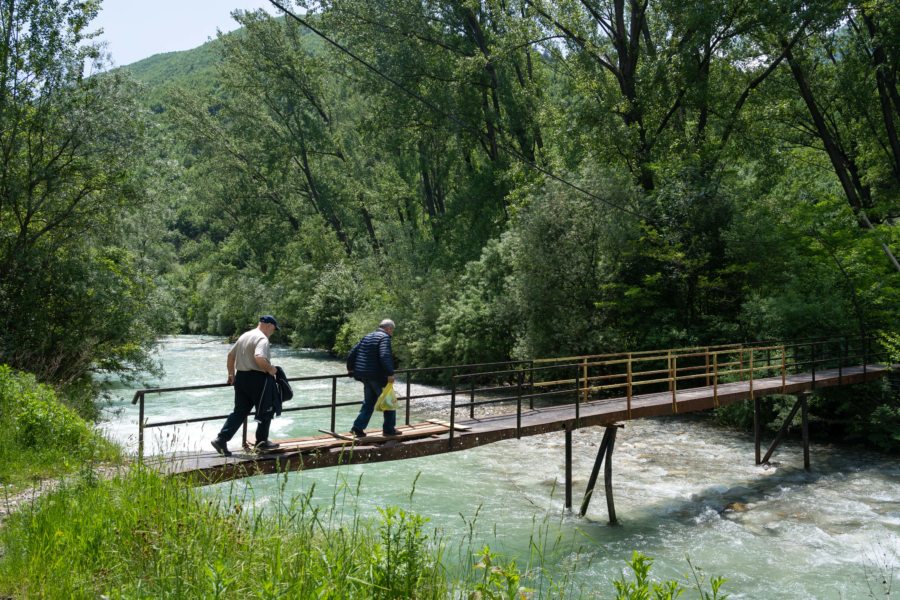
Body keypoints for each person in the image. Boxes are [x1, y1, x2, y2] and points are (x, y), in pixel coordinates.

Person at [211, 315, 283, 456]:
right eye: (273, 329)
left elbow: (230, 356)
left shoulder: (245, 336)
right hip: (258, 379)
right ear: (268, 325)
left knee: (240, 411)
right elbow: (259, 357)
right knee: (266, 409)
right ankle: (262, 443)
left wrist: (231, 374)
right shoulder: (262, 338)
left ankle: (221, 439)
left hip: (241, 378)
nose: (272, 333)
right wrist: (270, 369)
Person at [347, 318, 402, 438]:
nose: (392, 333)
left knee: (368, 403)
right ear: (388, 329)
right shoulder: (384, 338)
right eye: (392, 330)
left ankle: (357, 428)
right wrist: (390, 373)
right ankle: (388, 430)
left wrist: (350, 369)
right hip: (377, 376)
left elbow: (352, 352)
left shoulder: (368, 336)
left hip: (364, 375)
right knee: (389, 402)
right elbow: (384, 355)